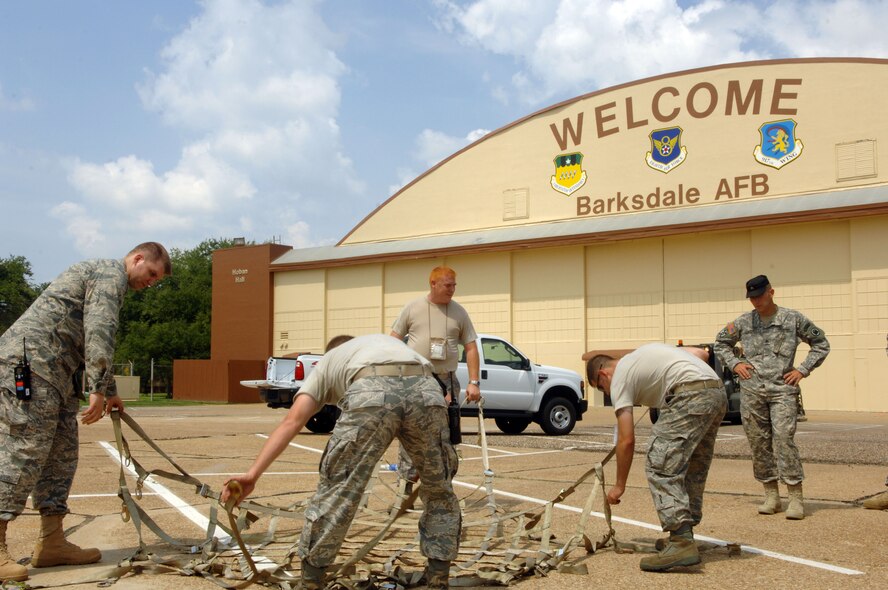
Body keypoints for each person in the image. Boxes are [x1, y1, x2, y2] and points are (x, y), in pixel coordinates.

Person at [222, 334, 461, 590]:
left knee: (338, 488)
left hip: (373, 389)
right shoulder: (378, 345)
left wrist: (252, 475)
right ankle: (438, 577)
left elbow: (292, 421)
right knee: (439, 488)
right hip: (426, 388)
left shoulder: (326, 364)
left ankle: (311, 581)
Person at [0, 242, 171, 582]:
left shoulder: (110, 280)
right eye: (151, 274)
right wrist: (97, 387)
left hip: (57, 374)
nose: (151, 283)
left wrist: (110, 392)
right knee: (24, 450)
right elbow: (99, 329)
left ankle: (52, 542)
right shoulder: (110, 272)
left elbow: (90, 336)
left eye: (157, 280)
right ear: (137, 259)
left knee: (61, 454)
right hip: (31, 365)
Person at [588, 343, 726, 572]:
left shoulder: (620, 375)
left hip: (688, 394)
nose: (607, 393)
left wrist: (619, 485)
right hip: (716, 392)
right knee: (693, 465)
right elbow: (702, 353)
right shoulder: (643, 355)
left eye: (602, 388)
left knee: (659, 461)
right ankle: (684, 535)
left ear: (604, 374)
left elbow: (626, 440)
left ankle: (681, 540)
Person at [714, 274, 829, 521]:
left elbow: (821, 343)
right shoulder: (744, 322)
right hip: (752, 390)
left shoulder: (793, 319)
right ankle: (771, 496)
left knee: (784, 440)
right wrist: (735, 364)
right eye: (751, 297)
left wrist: (803, 370)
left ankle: (795, 497)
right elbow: (720, 344)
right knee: (758, 443)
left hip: (782, 390)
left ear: (771, 292)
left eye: (759, 296)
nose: (755, 301)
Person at [390, 266, 480, 482]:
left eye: (454, 285)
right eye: (448, 285)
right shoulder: (412, 308)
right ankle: (406, 489)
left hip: (446, 382)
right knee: (411, 433)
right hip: (415, 381)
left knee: (445, 436)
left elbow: (471, 348)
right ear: (433, 283)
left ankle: (442, 488)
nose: (452, 290)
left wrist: (474, 382)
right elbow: (393, 340)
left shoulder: (459, 312)